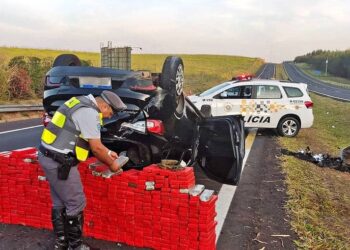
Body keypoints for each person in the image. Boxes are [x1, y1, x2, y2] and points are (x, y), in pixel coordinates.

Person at [38, 90, 127, 250]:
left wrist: (108, 153)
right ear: (104, 105)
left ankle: (61, 243)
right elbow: (96, 148)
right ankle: (76, 246)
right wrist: (113, 165)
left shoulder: (79, 101)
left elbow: (93, 143)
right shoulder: (89, 113)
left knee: (60, 201)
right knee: (76, 202)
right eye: (110, 112)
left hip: (48, 156)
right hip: (60, 162)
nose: (109, 116)